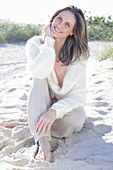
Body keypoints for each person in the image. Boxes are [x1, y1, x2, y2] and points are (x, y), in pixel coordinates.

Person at [3, 5, 89, 162]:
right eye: (59, 18)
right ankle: (43, 142)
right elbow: (39, 72)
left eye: (67, 24)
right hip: (41, 101)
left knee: (76, 119)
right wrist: (49, 41)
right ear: (53, 18)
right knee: (39, 78)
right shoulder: (35, 44)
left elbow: (79, 97)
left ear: (73, 32)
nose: (60, 25)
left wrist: (54, 111)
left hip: (64, 109)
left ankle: (31, 122)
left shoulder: (79, 55)